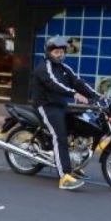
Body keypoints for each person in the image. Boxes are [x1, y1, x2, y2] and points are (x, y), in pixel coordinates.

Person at [31, 36, 99, 191]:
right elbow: (54, 84)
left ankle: (74, 162)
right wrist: (74, 94)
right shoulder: (44, 68)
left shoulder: (64, 68)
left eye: (62, 52)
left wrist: (97, 96)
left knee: (80, 125)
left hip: (60, 104)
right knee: (60, 137)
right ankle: (65, 177)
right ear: (49, 53)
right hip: (46, 106)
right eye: (56, 52)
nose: (60, 55)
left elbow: (78, 82)